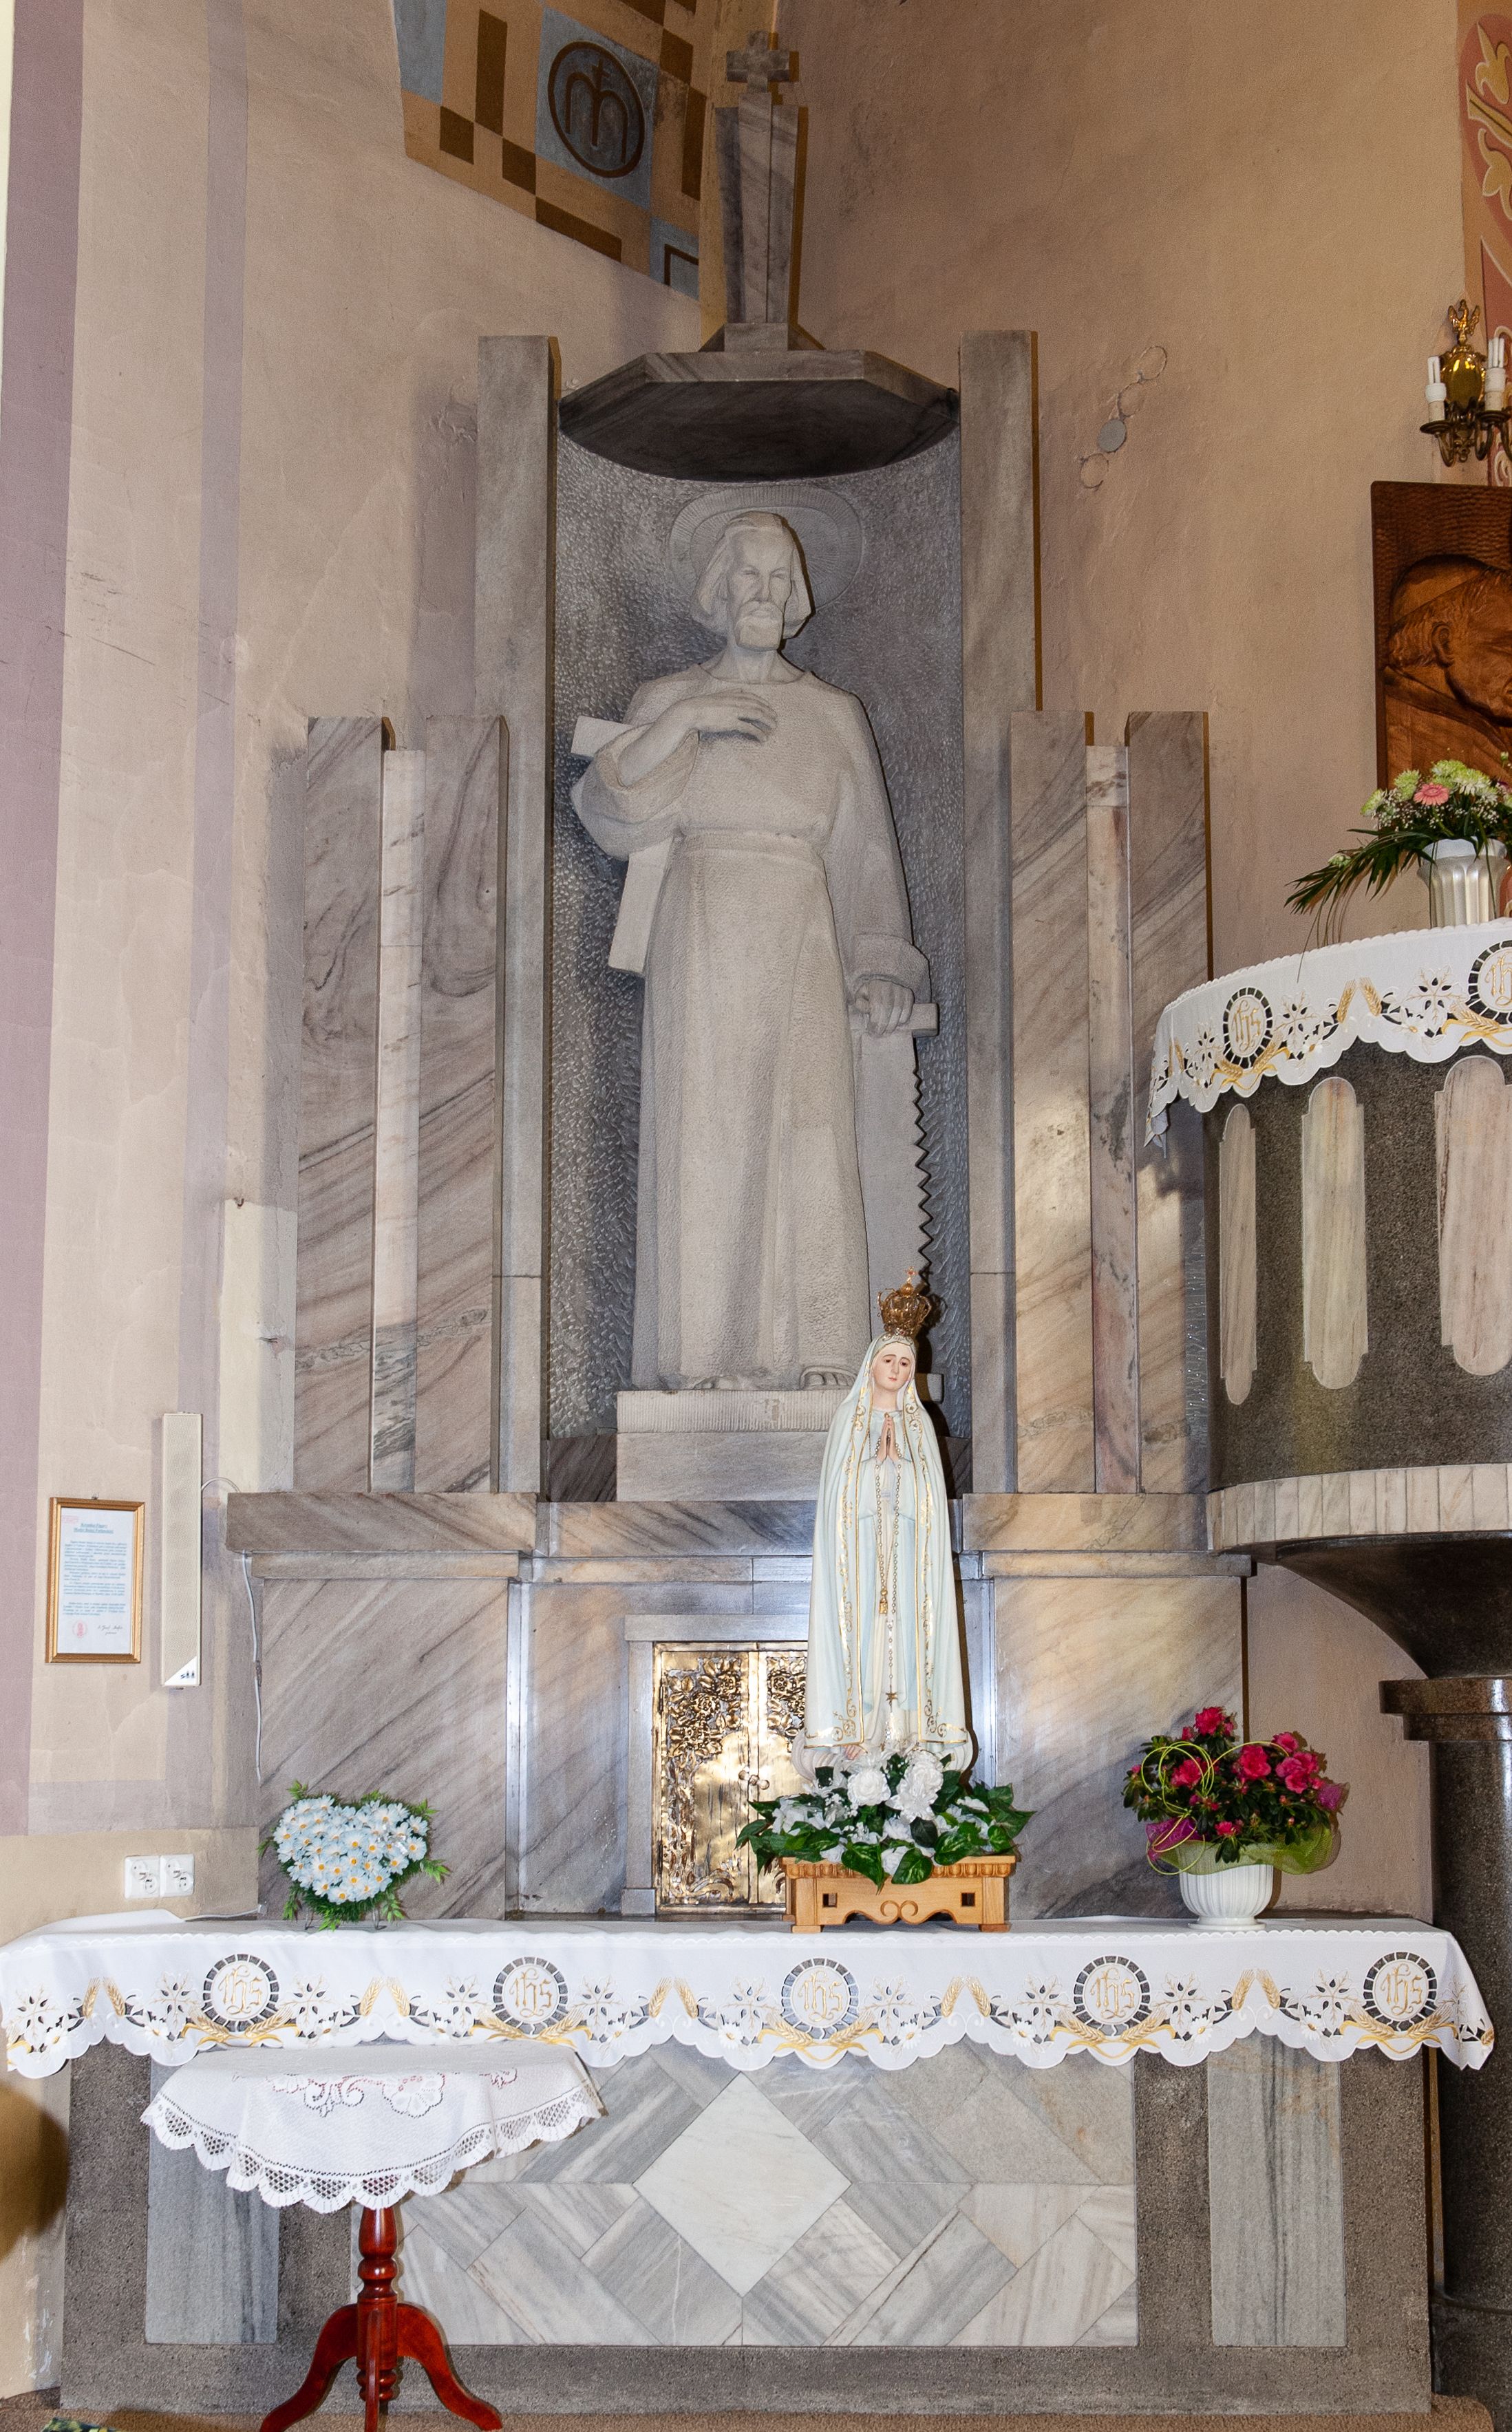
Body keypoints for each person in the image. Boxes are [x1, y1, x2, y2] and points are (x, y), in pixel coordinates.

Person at [572, 511, 926, 1391]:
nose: (763, 594)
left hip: (802, 931)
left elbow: (864, 851)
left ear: (795, 594)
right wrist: (688, 720)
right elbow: (610, 810)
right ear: (718, 592)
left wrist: (880, 962)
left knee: (811, 1136)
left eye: (778, 578)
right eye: (748, 577)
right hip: (700, 931)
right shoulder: (668, 701)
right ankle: (703, 1361)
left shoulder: (833, 715)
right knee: (708, 1136)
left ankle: (819, 1356)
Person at [802, 1278, 970, 1764]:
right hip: (858, 1560)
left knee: (910, 1637)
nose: (896, 1369)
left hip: (910, 1560)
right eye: (888, 1360)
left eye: (904, 1363)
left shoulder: (920, 1425)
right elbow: (838, 1501)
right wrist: (874, 1468)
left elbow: (931, 1503)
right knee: (863, 1637)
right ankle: (858, 1732)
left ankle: (913, 1735)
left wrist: (903, 1470)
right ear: (871, 1366)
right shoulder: (848, 1421)